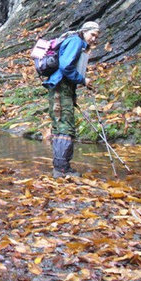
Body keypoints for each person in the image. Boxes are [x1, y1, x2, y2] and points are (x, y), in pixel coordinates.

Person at [43, 21, 101, 178]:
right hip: (60, 88)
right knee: (64, 127)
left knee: (60, 126)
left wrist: (73, 95)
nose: (94, 39)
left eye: (97, 36)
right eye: (92, 34)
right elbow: (66, 67)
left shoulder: (79, 43)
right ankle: (62, 169)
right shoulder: (76, 41)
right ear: (84, 31)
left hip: (62, 88)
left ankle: (60, 167)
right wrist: (83, 80)